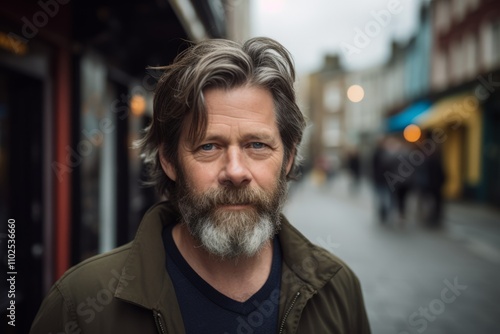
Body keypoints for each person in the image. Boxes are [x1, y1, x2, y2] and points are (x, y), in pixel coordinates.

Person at [30, 37, 371, 334]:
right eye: (209, 146)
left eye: (257, 145)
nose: (236, 172)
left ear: (288, 158)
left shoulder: (338, 291)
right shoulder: (79, 304)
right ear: (169, 161)